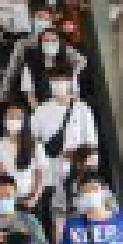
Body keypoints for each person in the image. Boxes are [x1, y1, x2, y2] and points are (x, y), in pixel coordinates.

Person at [31, 72, 98, 219]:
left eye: (63, 80)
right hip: (49, 172)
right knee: (53, 214)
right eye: (55, 80)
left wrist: (89, 170)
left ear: (70, 82)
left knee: (78, 211)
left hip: (76, 171)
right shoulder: (42, 110)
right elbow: (32, 140)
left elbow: (92, 142)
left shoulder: (82, 108)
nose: (59, 84)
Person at [0, 102, 49, 215]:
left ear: (24, 121)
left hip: (30, 201)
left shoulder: (35, 145)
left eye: (17, 117)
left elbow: (41, 176)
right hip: (7, 201)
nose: (13, 120)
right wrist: (4, 200)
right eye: (10, 117)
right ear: (4, 120)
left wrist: (34, 199)